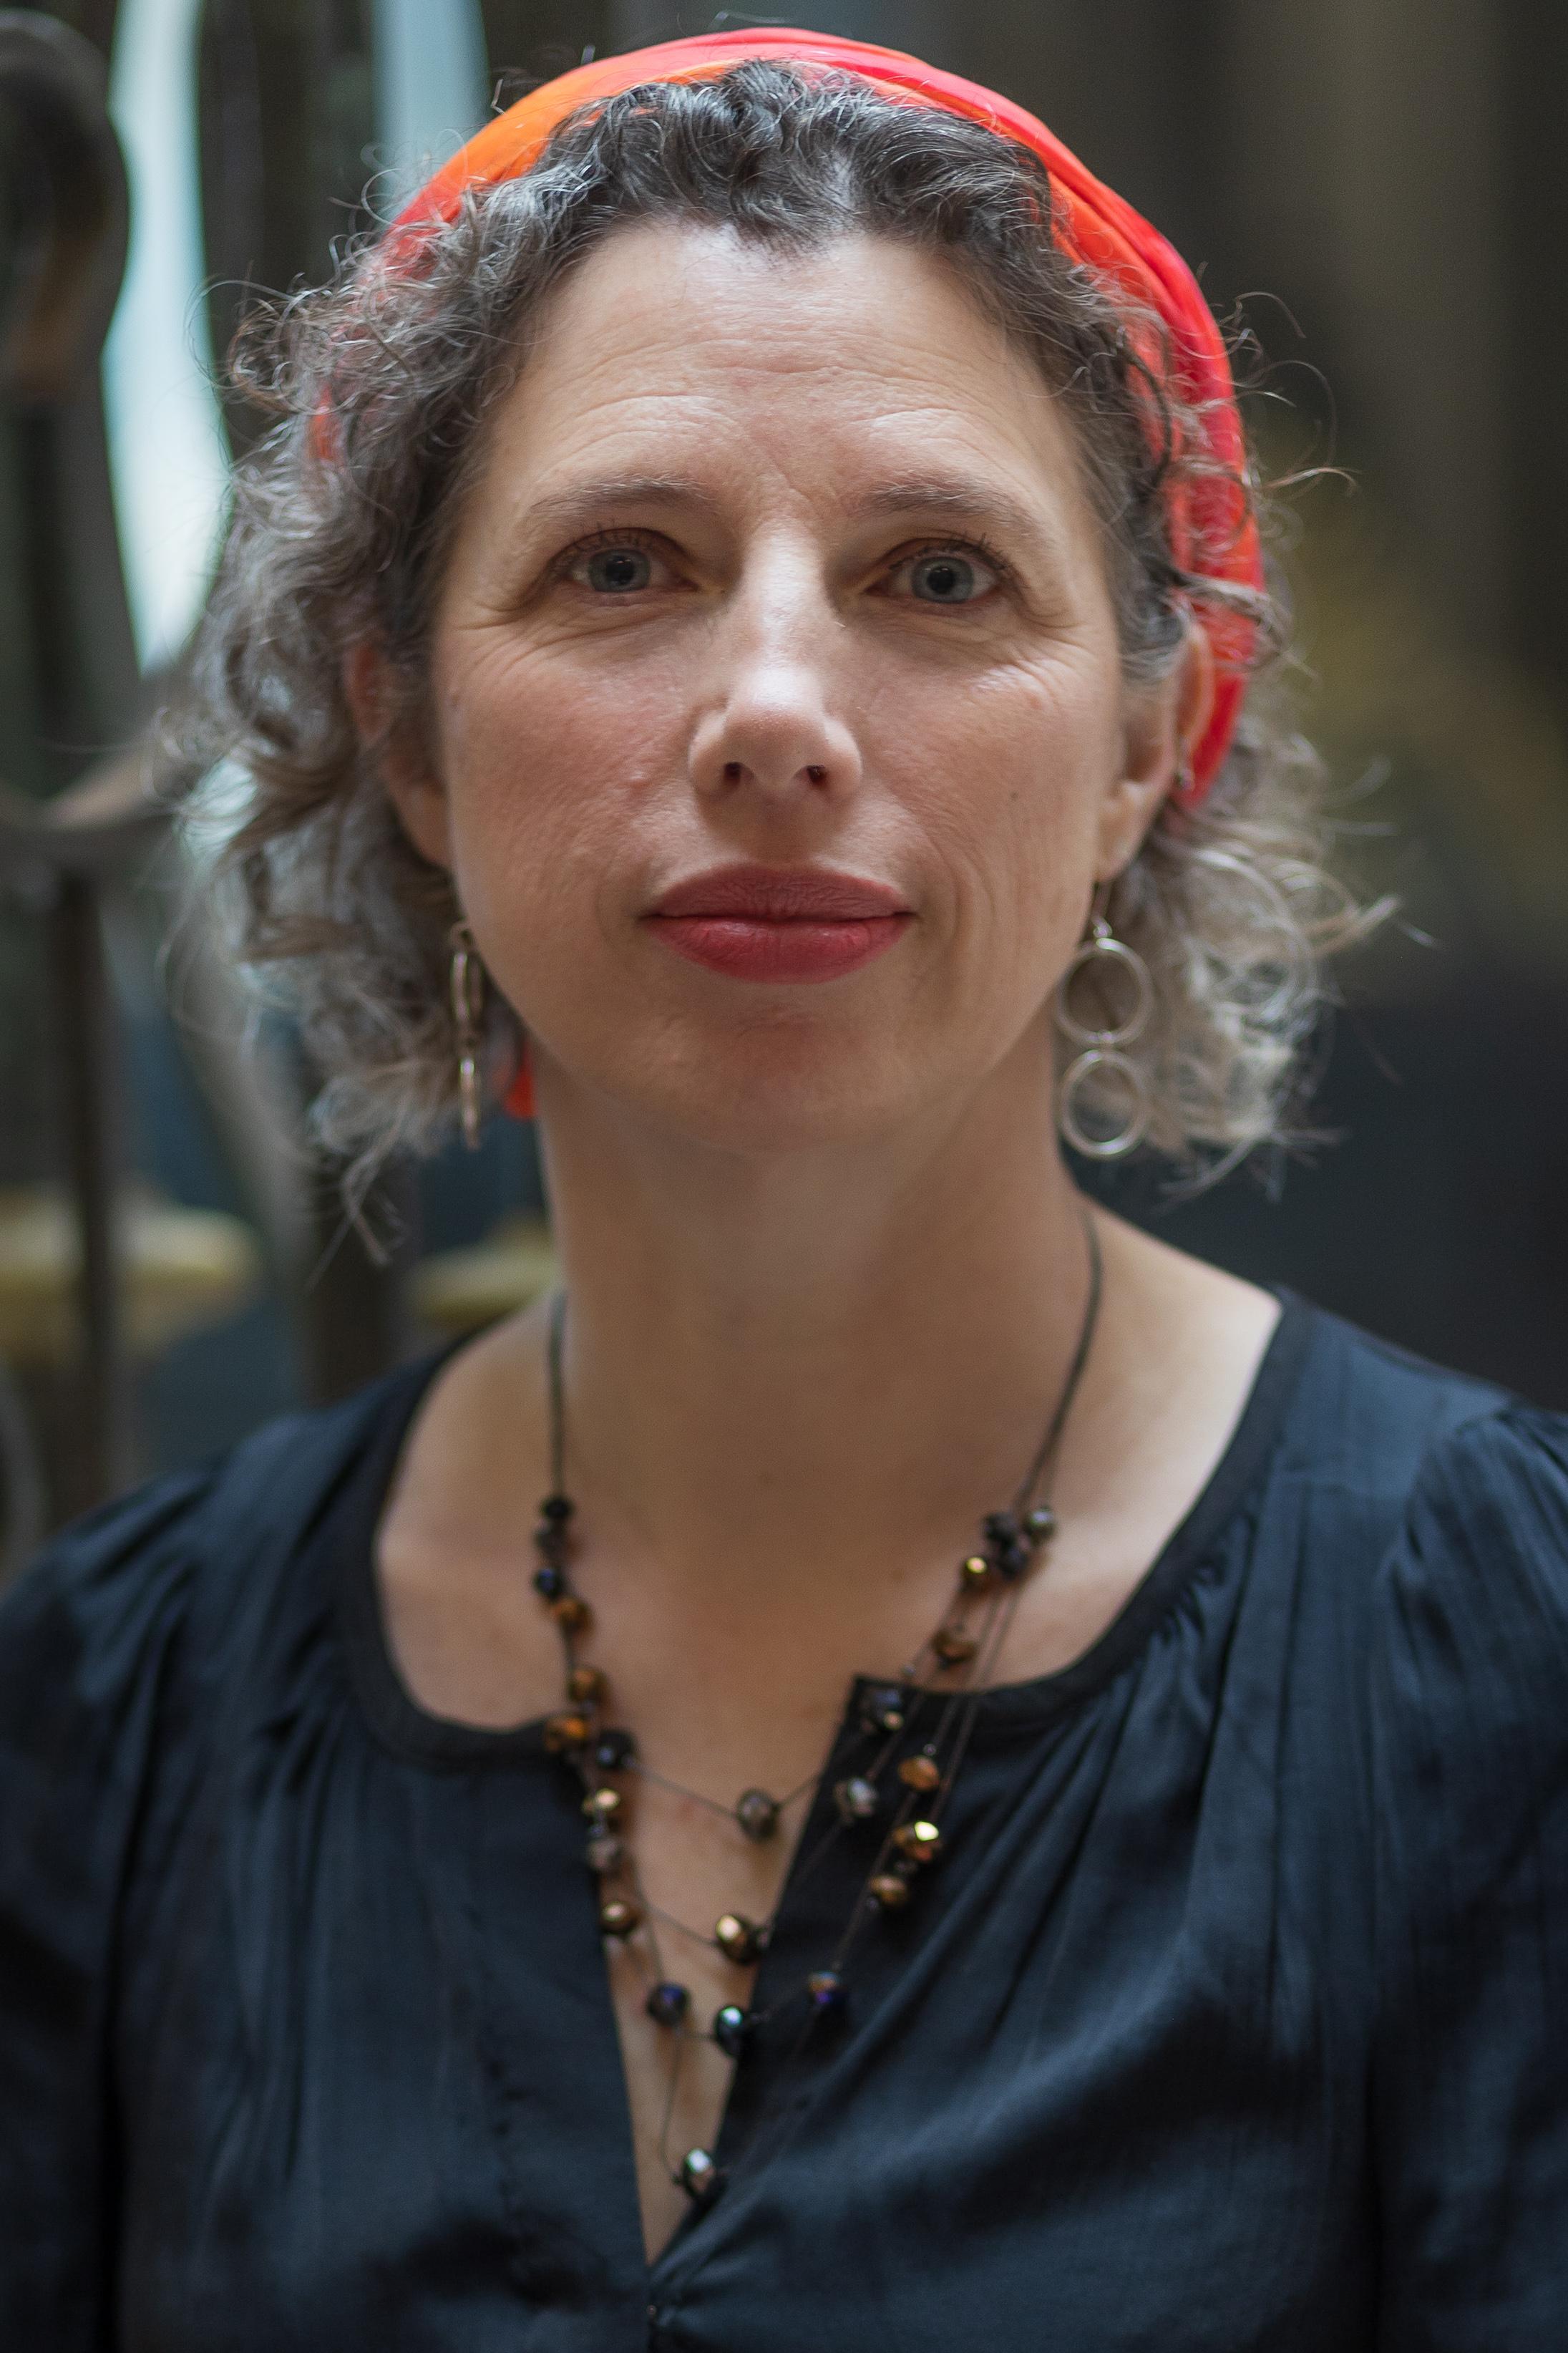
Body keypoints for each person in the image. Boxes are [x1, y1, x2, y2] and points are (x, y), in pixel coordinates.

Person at [2, 28, 1565, 2348]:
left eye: (938, 574)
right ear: (408, 725)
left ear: (1148, 736)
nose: (775, 705)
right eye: (623, 564)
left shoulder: (1502, 1661)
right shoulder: (109, 1721)